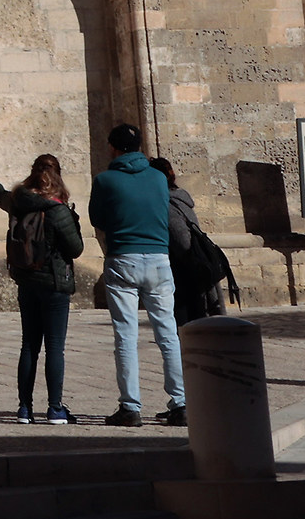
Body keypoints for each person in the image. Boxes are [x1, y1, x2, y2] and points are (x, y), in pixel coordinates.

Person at [88, 123, 186, 427]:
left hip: (123, 257)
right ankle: (181, 402)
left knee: (126, 335)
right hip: (158, 257)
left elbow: (97, 218)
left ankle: (130, 406)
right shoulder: (158, 178)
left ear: (113, 148)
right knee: (167, 333)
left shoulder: (105, 180)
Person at [0, 153, 85, 425]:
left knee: (29, 345)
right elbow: (76, 249)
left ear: (32, 173)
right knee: (55, 347)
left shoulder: (18, 202)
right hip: (54, 284)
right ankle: (55, 408)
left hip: (27, 282)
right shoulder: (57, 210)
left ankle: (24, 408)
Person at [152, 156, 233, 326]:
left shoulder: (168, 205)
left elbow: (183, 243)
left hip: (184, 276)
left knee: (189, 326)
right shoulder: (181, 200)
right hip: (195, 271)